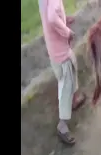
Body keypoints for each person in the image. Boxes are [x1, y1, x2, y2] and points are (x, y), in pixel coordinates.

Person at [38, 0, 86, 145]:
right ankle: (62, 126)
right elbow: (52, 18)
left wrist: (64, 20)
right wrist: (67, 32)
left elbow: (51, 16)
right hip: (60, 51)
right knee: (66, 83)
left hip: (56, 47)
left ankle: (74, 100)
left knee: (73, 65)